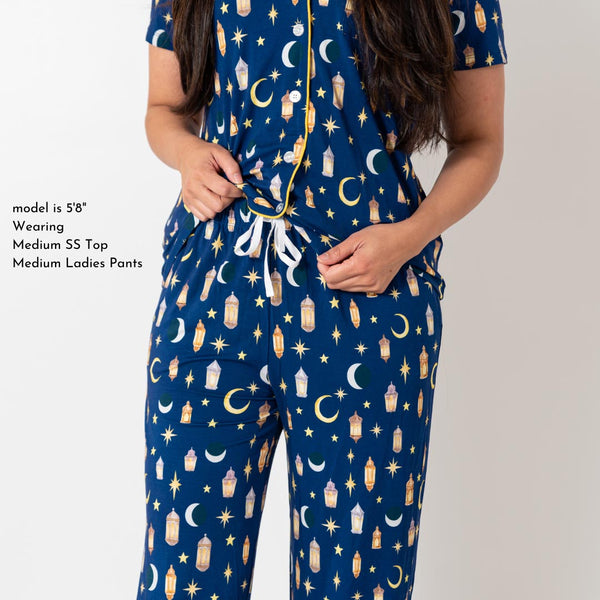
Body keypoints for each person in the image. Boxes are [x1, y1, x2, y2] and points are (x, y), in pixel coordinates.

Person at [137, 0, 507, 598]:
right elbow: (163, 110)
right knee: (183, 577)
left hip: (371, 308)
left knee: (354, 581)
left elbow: (480, 141)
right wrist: (187, 155)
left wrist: (410, 237)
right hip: (208, 300)